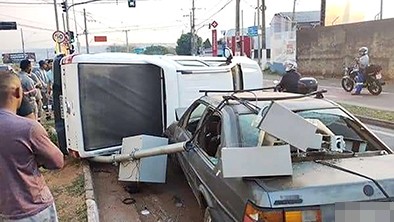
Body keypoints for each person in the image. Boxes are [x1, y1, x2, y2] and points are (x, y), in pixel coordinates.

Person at [0, 72, 64, 221]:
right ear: (17, 92)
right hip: (34, 209)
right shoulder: (28, 128)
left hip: (5, 212)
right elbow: (57, 161)